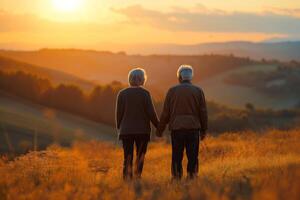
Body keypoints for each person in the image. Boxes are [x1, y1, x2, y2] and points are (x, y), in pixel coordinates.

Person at [156, 65, 208, 180]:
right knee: (193, 156)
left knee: (177, 156)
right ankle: (192, 178)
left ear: (179, 77)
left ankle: (176, 179)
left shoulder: (172, 91)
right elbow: (203, 112)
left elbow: (166, 113)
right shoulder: (198, 91)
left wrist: (160, 130)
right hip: (193, 128)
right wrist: (204, 130)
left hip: (177, 128)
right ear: (191, 77)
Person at [116, 68, 159, 180]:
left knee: (127, 157)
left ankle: (127, 180)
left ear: (130, 79)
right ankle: (137, 178)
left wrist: (119, 128)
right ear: (142, 80)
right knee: (140, 156)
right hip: (142, 131)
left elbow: (118, 113)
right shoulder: (145, 94)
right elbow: (151, 113)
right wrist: (159, 127)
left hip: (126, 131)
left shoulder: (122, 94)